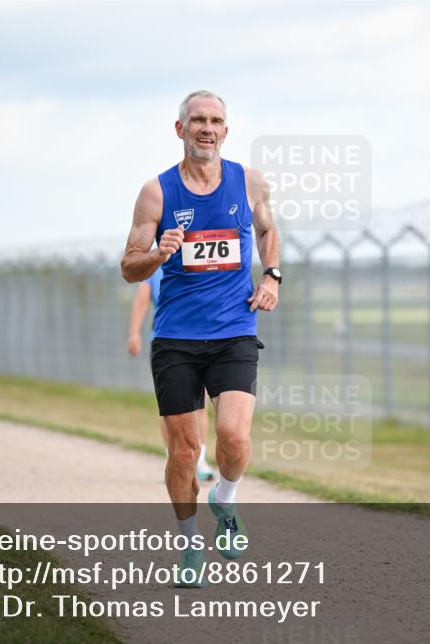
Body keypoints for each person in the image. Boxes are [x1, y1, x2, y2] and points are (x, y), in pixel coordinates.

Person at [120, 90, 281, 587]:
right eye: (197, 121)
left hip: (234, 329)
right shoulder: (157, 192)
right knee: (186, 452)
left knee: (234, 437)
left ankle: (225, 502)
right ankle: (191, 544)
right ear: (180, 129)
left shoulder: (250, 182)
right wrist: (158, 254)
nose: (206, 128)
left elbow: (268, 231)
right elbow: (129, 266)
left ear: (226, 131)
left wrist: (272, 275)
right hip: (176, 338)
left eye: (215, 121)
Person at [127, 266, 216, 481]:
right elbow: (142, 300)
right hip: (165, 342)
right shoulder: (155, 264)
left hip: (199, 340)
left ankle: (200, 460)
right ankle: (174, 458)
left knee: (199, 404)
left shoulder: (198, 256)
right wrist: (134, 334)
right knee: (170, 407)